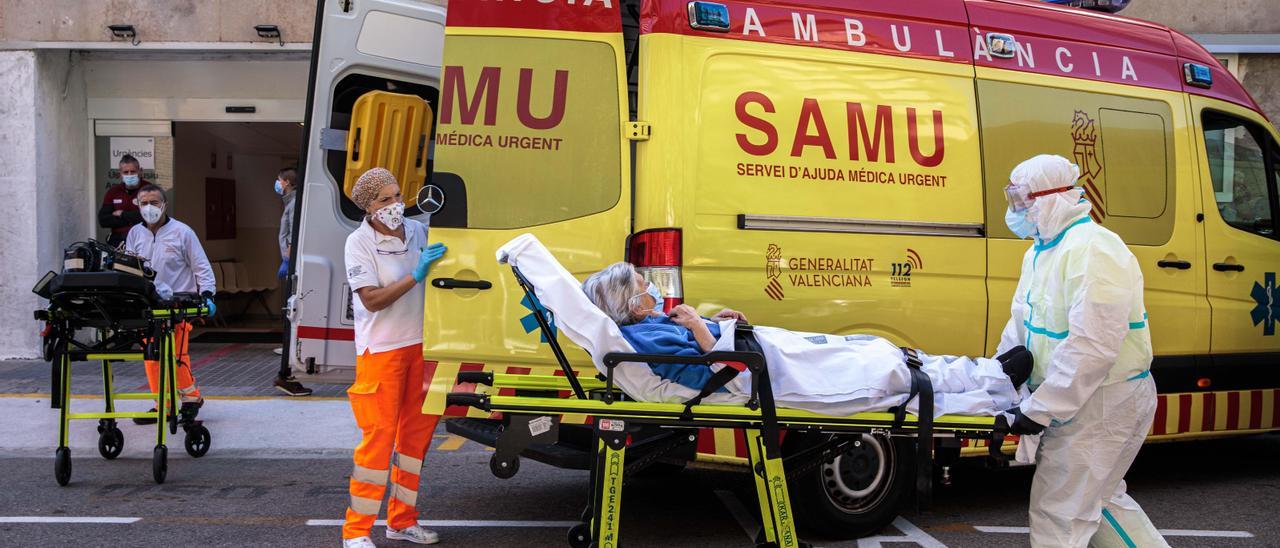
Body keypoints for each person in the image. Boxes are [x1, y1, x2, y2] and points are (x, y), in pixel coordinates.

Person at [582, 262, 1033, 418]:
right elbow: (714, 373)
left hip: (763, 355)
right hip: (764, 375)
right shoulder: (644, 340)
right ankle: (997, 392)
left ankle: (985, 371)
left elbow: (709, 355)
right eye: (643, 285)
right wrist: (702, 327)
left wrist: (720, 325)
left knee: (877, 351)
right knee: (885, 379)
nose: (652, 289)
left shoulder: (650, 328)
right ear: (631, 303)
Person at [995, 155, 1167, 547]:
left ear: (1054, 198)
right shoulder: (1041, 252)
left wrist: (1039, 409)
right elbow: (1021, 323)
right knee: (1099, 504)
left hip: (1105, 402)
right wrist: (998, 379)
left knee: (1059, 515)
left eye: (1023, 200)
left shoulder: (1095, 250)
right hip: (1082, 402)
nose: (1017, 210)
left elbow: (1092, 346)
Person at [341, 168, 447, 547]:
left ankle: (401, 521)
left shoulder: (418, 231)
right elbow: (370, 298)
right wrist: (416, 275)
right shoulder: (358, 243)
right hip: (381, 352)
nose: (395, 205)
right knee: (378, 442)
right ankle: (356, 532)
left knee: (414, 442)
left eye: (397, 196)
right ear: (368, 207)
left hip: (421, 347)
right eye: (384, 200)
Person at [124, 184, 216, 425]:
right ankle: (162, 404)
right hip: (149, 305)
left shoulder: (182, 233)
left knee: (175, 355)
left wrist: (207, 294)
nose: (149, 208)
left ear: (164, 205)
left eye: (154, 202)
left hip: (178, 304)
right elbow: (131, 269)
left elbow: (201, 266)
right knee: (152, 357)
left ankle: (191, 399)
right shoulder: (135, 233)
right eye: (144, 203)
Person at [272, 167, 312, 396]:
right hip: (289, 261)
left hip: (292, 262)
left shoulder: (295, 202)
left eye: (278, 180)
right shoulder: (290, 201)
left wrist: (289, 257)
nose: (277, 183)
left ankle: (287, 369)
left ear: (286, 182)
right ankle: (286, 369)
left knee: (292, 311)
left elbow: (293, 233)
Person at [98, 154, 147, 248]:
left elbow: (149, 216)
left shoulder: (149, 190)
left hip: (143, 240)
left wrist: (123, 214)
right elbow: (103, 220)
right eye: (126, 172)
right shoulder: (113, 192)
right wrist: (133, 218)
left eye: (133, 171)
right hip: (118, 241)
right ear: (120, 174)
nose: (129, 175)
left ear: (140, 171)